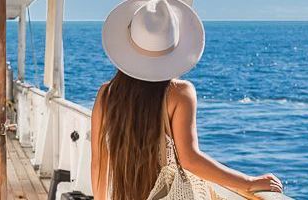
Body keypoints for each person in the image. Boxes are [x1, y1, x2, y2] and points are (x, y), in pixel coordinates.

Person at [91, 0, 282, 199]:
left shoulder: (107, 94)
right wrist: (247, 182)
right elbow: (189, 159)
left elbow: (99, 164)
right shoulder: (179, 93)